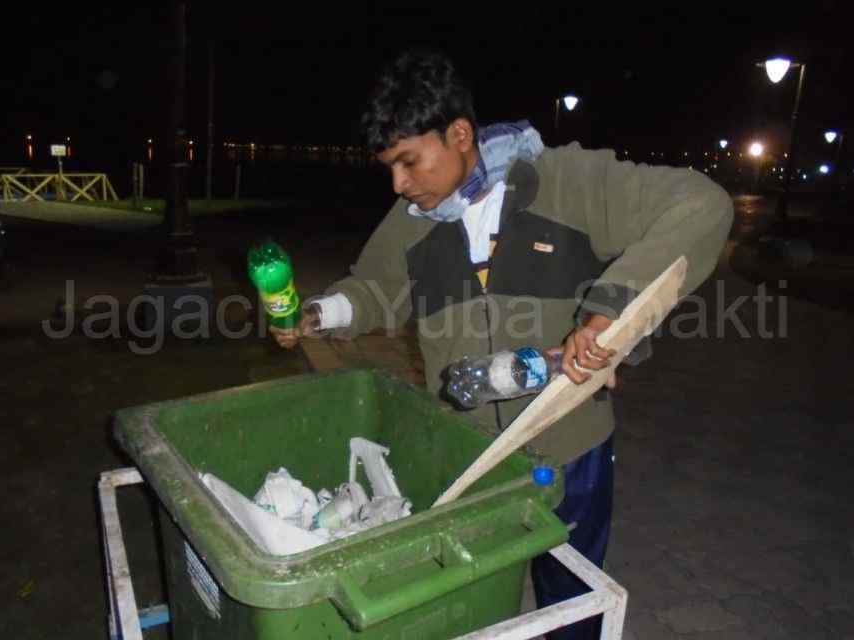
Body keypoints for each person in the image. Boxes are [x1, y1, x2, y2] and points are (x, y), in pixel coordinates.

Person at [271, 49, 733, 639]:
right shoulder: (413, 217)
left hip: (570, 447)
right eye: (389, 166)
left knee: (571, 604)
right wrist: (319, 313)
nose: (399, 183)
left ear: (459, 133)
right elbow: (378, 288)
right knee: (474, 608)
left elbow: (702, 206)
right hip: (470, 454)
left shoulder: (567, 181)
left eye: (409, 161)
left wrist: (610, 315)